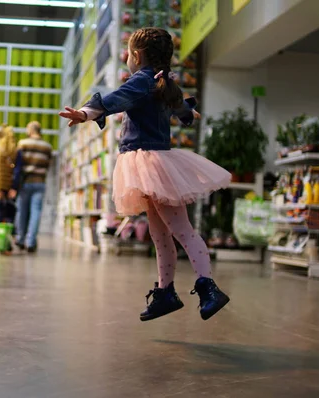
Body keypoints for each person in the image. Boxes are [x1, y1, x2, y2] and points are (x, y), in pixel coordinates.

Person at [60, 28, 232, 322]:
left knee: (181, 231)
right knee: (160, 232)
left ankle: (208, 286)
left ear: (136, 56)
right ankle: (165, 292)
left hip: (151, 164)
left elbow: (118, 98)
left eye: (127, 53)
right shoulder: (162, 82)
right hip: (150, 165)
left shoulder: (142, 81)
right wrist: (188, 114)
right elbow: (178, 106)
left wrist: (86, 112)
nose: (126, 58)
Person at [13, 121, 53, 253]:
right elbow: (48, 164)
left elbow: (17, 163)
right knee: (36, 212)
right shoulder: (47, 146)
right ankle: (31, 242)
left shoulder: (23, 144)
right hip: (40, 182)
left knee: (22, 212)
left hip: (25, 182)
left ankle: (20, 239)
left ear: (30, 130)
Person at [0, 124, 20, 224]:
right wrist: (14, 188)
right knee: (11, 214)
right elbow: (17, 170)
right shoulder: (16, 151)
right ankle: (9, 237)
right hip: (11, 187)